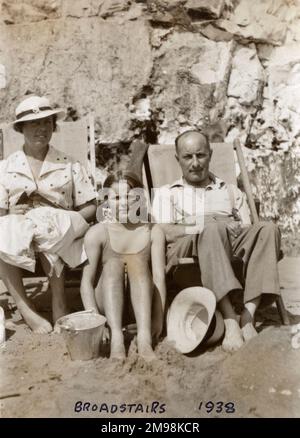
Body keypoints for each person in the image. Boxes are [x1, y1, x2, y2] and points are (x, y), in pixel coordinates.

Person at [152, 129, 281, 352]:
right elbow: (164, 231)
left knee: (268, 229)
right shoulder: (167, 193)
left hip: (227, 244)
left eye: (200, 155)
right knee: (211, 229)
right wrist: (203, 224)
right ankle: (230, 319)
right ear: (177, 159)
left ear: (210, 155)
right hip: (188, 253)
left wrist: (232, 227)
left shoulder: (230, 191)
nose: (195, 163)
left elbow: (248, 232)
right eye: (187, 157)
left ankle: (248, 316)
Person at [0, 95, 97, 334]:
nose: (41, 128)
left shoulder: (69, 164)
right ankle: (26, 309)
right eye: (33, 123)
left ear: (54, 126)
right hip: (19, 231)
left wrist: (67, 218)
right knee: (4, 230)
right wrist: (11, 212)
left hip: (62, 227)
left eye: (46, 122)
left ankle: (59, 302)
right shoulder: (5, 168)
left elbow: (91, 205)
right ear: (21, 128)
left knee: (47, 224)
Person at [80, 142, 166, 361]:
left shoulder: (152, 231)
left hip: (142, 304)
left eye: (131, 196)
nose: (125, 203)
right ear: (106, 202)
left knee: (138, 263)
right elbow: (86, 283)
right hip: (107, 304)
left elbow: (158, 278)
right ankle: (117, 340)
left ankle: (144, 339)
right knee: (113, 265)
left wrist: (158, 319)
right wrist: (96, 323)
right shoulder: (98, 233)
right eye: (117, 198)